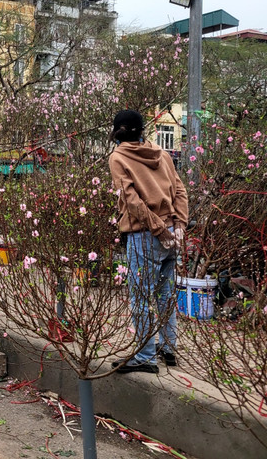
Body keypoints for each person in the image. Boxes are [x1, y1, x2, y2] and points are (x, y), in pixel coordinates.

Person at [108, 110, 188, 374]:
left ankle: (145, 356)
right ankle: (169, 348)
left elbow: (132, 201)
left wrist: (157, 230)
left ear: (118, 131)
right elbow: (180, 190)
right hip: (170, 231)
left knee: (141, 296)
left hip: (145, 234)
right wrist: (178, 226)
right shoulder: (161, 153)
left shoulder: (118, 157)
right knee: (164, 294)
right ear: (142, 130)